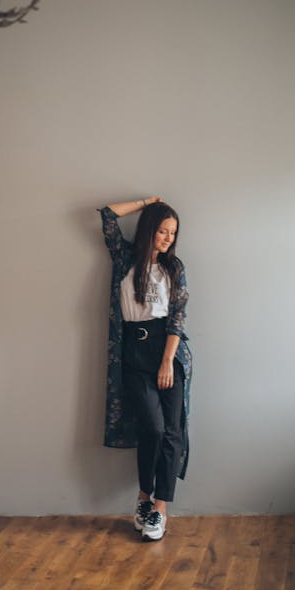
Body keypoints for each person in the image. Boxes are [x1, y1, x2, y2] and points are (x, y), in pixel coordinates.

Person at [99, 197, 192, 541]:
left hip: (168, 349)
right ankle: (143, 498)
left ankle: (160, 510)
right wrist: (147, 202)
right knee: (151, 428)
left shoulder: (174, 267)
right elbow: (107, 217)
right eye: (163, 230)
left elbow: (178, 317)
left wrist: (167, 361)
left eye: (173, 233)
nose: (168, 238)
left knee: (171, 432)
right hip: (134, 352)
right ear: (149, 228)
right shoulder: (125, 258)